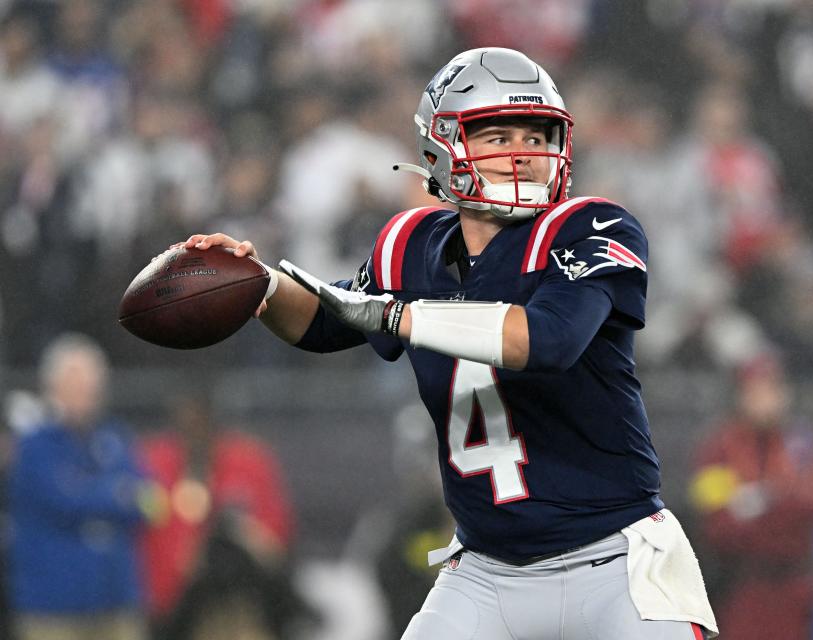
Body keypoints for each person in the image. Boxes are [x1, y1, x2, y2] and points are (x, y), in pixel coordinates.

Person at [182, 47, 717, 639]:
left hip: (617, 564)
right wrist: (257, 284)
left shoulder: (591, 225)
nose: (525, 153)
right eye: (499, 134)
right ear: (442, 146)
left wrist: (400, 317)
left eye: (537, 136)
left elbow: (548, 340)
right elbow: (321, 322)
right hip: (487, 573)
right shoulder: (409, 245)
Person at [8, 333, 162, 640]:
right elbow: (63, 500)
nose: (85, 393)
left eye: (91, 385)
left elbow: (151, 502)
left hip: (116, 602)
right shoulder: (33, 446)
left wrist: (99, 494)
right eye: (74, 385)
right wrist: (116, 494)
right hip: (52, 610)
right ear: (52, 388)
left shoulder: (116, 438)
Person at [688, 352, 813, 640]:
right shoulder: (719, 449)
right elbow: (717, 524)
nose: (766, 399)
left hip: (795, 588)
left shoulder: (804, 444)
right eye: (756, 390)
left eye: (773, 389)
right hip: (741, 588)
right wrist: (787, 499)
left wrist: (759, 505)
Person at [138, 392, 297, 639]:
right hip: (174, 603)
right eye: (187, 423)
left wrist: (243, 534)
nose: (194, 431)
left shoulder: (248, 462)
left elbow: (275, 538)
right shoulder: (153, 461)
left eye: (201, 422)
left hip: (243, 597)